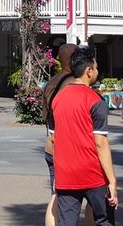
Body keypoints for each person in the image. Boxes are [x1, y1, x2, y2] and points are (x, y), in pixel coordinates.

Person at [51, 45, 118, 226]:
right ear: (88, 71)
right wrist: (112, 181)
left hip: (66, 174)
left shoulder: (58, 99)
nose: (97, 71)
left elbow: (55, 136)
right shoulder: (95, 100)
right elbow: (100, 143)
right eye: (95, 68)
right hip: (92, 173)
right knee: (103, 220)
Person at [43, 44, 93, 226]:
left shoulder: (52, 82)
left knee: (56, 195)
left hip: (51, 143)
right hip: (68, 148)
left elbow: (45, 116)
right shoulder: (72, 83)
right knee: (94, 196)